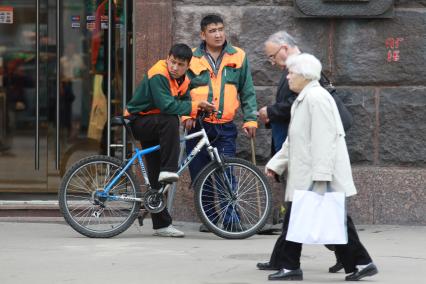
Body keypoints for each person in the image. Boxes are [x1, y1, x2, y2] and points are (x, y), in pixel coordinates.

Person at [257, 53, 378, 281]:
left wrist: (321, 177)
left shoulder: (316, 98)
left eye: (291, 73)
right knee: (319, 220)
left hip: (316, 175)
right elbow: (294, 140)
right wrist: (277, 164)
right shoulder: (305, 98)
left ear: (305, 75)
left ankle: (294, 266)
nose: (288, 77)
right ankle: (359, 263)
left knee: (318, 220)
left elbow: (325, 139)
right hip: (308, 174)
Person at [260, 30, 343, 273]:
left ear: (284, 48)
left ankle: (353, 256)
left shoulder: (305, 70)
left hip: (304, 157)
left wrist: (270, 112)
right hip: (293, 150)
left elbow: (295, 110)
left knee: (303, 211)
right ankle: (282, 261)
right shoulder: (293, 71)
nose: (273, 62)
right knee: (296, 210)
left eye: (272, 56)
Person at [125, 43, 215, 238]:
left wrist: (198, 108)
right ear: (167, 58)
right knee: (169, 119)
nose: (174, 67)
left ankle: (161, 225)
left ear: (187, 65)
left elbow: (182, 102)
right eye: (172, 62)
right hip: (138, 120)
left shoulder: (182, 80)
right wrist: (193, 106)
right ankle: (169, 169)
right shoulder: (159, 73)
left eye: (180, 64)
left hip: (154, 124)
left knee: (158, 175)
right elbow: (166, 105)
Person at [182, 14, 258, 232]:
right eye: (213, 31)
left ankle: (231, 220)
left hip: (224, 126)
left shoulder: (238, 56)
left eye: (221, 29)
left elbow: (248, 91)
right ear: (202, 34)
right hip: (197, 125)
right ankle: (210, 219)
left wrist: (251, 118)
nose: (218, 34)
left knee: (226, 172)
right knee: (199, 175)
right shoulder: (192, 58)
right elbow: (182, 92)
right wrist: (186, 115)